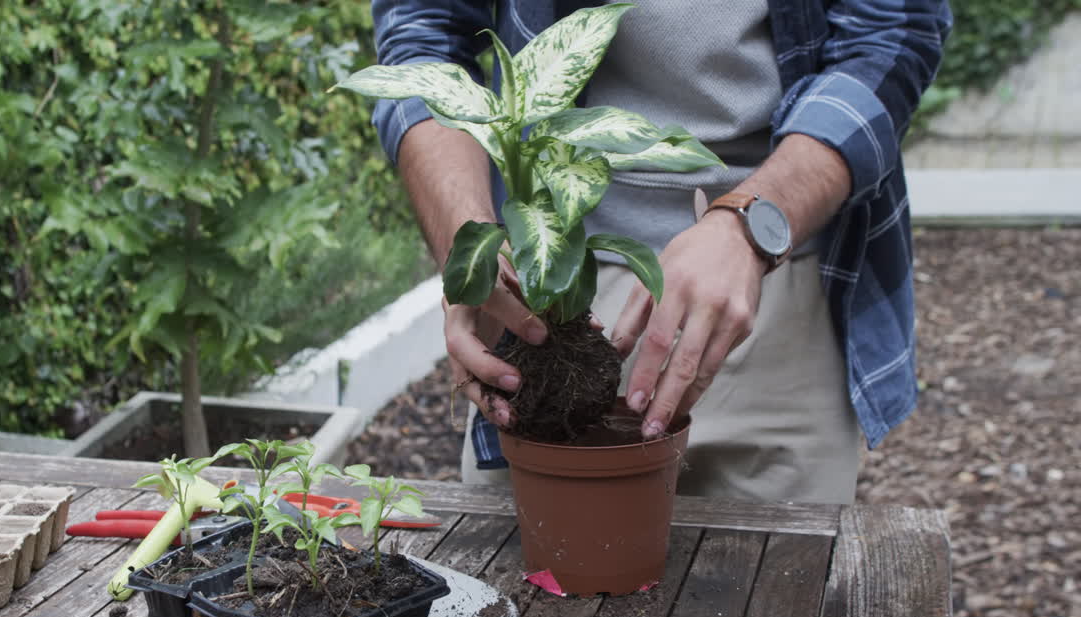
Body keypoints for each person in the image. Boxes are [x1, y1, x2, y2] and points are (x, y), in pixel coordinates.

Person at [368, 0, 952, 504]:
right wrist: (467, 245)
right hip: (542, 281)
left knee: (773, 603)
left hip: (780, 281)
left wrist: (752, 224)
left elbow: (889, 40)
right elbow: (425, 32)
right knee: (527, 598)